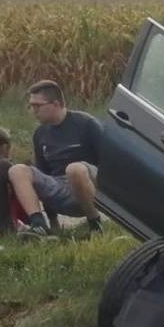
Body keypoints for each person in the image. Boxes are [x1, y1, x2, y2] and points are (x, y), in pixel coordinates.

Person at [25, 79, 104, 230]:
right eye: (31, 106)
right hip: (60, 187)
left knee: (74, 169)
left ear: (56, 104)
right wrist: (53, 220)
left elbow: (108, 161)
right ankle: (39, 226)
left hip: (90, 182)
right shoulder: (40, 134)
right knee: (19, 170)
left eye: (37, 106)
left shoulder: (86, 123)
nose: (33, 110)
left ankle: (95, 223)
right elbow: (43, 174)